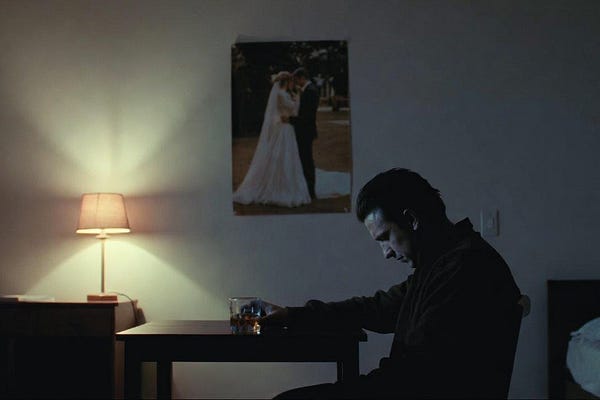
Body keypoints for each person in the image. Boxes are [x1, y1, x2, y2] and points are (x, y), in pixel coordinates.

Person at [262, 168, 522, 399]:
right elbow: (376, 308)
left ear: (412, 220)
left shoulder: (464, 268)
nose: (386, 253)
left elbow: (412, 376)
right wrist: (292, 315)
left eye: (385, 237)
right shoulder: (442, 264)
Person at [233, 71, 311, 207]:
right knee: (283, 156)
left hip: (286, 128)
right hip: (284, 129)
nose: (293, 84)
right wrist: (298, 97)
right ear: (286, 82)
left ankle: (284, 184)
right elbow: (294, 110)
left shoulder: (285, 94)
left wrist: (295, 97)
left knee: (286, 156)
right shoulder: (282, 94)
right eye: (291, 81)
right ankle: (281, 186)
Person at [282, 68, 319, 199]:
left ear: (302, 77)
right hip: (304, 130)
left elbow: (308, 116)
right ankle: (308, 188)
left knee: (306, 160)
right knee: (304, 159)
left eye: (296, 80)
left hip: (305, 131)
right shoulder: (307, 90)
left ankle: (310, 190)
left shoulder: (310, 91)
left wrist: (290, 119)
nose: (296, 83)